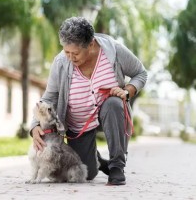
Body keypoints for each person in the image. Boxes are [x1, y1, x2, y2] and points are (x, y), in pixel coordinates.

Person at [30, 17, 147, 185]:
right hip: (78, 124)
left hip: (110, 112)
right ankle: (97, 160)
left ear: (91, 44)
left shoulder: (114, 51)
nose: (70, 57)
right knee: (87, 172)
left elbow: (140, 73)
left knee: (113, 103)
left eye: (75, 53)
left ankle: (116, 167)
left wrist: (127, 91)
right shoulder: (61, 62)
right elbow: (49, 97)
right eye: (66, 51)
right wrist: (35, 125)